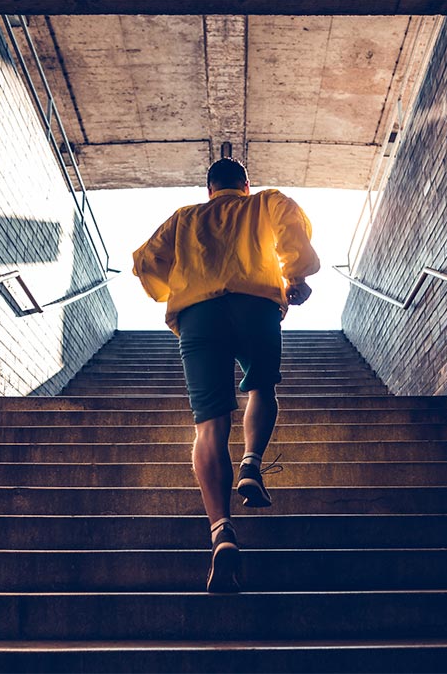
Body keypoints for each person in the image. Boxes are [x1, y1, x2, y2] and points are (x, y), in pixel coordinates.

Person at [132, 158, 321, 593]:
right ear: (246, 184)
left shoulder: (185, 218)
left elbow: (146, 262)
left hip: (199, 315)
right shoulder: (265, 202)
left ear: (209, 190)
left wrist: (173, 285)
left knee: (209, 427)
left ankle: (221, 532)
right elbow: (292, 225)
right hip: (256, 306)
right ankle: (252, 464)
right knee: (261, 387)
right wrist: (294, 275)